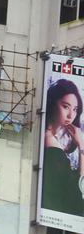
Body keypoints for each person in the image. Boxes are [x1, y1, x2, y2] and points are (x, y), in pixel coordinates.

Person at [42, 79, 84, 215]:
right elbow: (78, 190)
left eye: (75, 110)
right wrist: (81, 146)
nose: (71, 115)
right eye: (65, 106)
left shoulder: (53, 138)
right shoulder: (51, 144)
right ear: (52, 104)